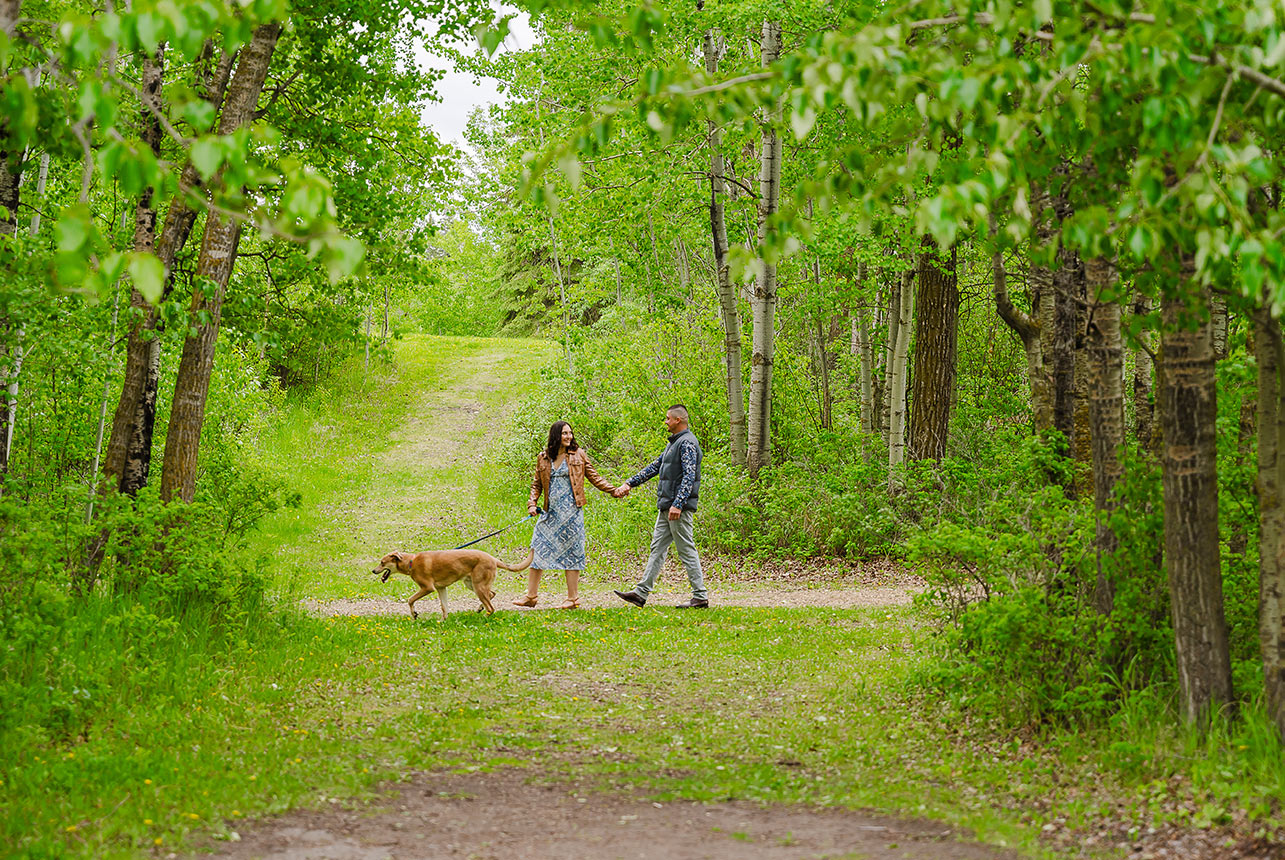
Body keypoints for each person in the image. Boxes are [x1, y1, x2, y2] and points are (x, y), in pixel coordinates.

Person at [514, 420, 623, 609]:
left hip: (572, 512)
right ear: (556, 435)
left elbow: (594, 476)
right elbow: (536, 484)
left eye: (570, 433)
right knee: (538, 548)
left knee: (572, 553)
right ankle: (531, 596)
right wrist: (532, 503)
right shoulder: (543, 458)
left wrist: (613, 490)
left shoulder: (578, 455)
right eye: (564, 433)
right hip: (550, 512)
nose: (569, 436)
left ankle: (573, 598)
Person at [612, 404, 708, 608]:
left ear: (678, 420)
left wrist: (679, 504)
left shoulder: (687, 443)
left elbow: (689, 476)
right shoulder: (673, 444)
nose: (665, 422)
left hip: (676, 508)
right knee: (657, 548)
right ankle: (641, 593)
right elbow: (655, 467)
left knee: (686, 549)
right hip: (667, 506)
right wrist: (629, 483)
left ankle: (700, 596)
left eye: (667, 418)